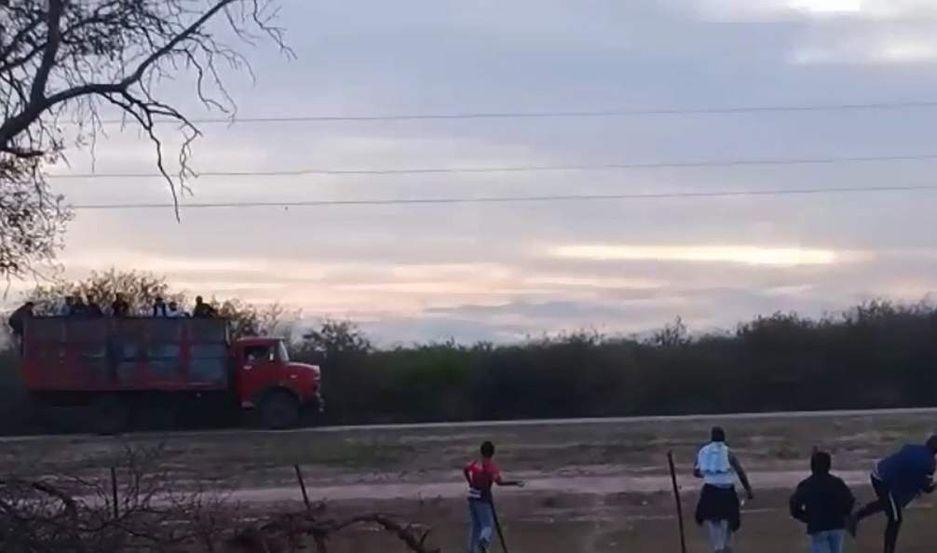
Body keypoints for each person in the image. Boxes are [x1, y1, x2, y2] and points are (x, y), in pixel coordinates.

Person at [848, 435, 937, 553]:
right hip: (885, 481)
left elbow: (906, 468)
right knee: (895, 518)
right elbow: (927, 488)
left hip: (878, 472)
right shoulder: (929, 463)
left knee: (889, 504)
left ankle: (855, 516)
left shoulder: (911, 447)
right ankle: (888, 550)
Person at [694, 426, 754, 553]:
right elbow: (740, 472)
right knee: (729, 519)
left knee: (712, 519)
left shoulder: (703, 452)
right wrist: (748, 489)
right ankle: (724, 546)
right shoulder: (728, 452)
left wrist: (709, 474)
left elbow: (696, 471)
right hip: (726, 490)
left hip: (710, 489)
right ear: (723, 437)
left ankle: (718, 547)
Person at [463, 441, 525, 553]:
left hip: (472, 496)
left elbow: (466, 470)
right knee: (487, 525)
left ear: (481, 452)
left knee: (476, 525)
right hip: (483, 498)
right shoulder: (491, 467)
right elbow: (499, 482)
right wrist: (515, 483)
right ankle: (484, 542)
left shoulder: (476, 463)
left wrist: (470, 482)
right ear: (492, 453)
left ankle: (472, 550)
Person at [790, 450, 855, 553]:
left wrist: (806, 517)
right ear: (829, 466)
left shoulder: (806, 484)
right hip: (837, 524)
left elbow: (794, 505)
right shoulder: (837, 483)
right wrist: (843, 513)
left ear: (812, 466)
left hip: (818, 525)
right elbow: (850, 500)